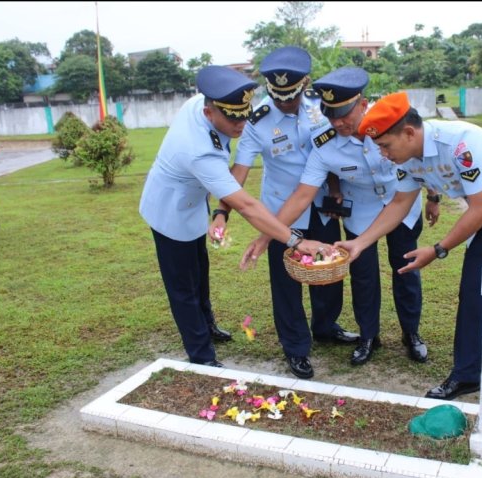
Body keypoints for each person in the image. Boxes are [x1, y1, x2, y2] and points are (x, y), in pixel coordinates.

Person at [338, 92, 482, 422]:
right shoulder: (405, 159)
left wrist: (437, 250)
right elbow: (398, 205)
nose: (383, 154)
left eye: (385, 146)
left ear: (409, 133)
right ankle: (467, 374)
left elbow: (480, 209)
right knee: (472, 295)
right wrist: (361, 243)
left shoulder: (462, 143)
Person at [242, 68, 438, 367]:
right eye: (331, 114)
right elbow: (303, 195)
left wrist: (434, 196)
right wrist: (267, 235)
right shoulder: (325, 143)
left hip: (403, 205)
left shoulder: (392, 123)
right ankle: (368, 336)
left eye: (345, 113)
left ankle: (411, 333)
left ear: (362, 104)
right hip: (361, 211)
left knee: (406, 269)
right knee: (363, 277)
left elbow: (423, 159)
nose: (338, 122)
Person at [139, 65, 328, 368]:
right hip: (169, 210)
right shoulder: (199, 150)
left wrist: (218, 215)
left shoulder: (199, 106)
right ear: (209, 113)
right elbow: (247, 206)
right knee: (182, 287)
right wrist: (294, 240)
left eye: (244, 113)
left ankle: (208, 324)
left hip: (193, 201)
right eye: (232, 117)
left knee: (199, 271)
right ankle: (202, 355)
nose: (241, 123)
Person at [220, 47, 357, 380]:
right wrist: (221, 210)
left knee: (328, 269)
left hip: (322, 206)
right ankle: (296, 347)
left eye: (291, 97)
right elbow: (239, 170)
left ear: (305, 85)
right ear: (270, 91)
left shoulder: (322, 108)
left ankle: (325, 326)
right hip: (280, 211)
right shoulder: (258, 121)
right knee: (286, 283)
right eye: (279, 97)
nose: (285, 103)